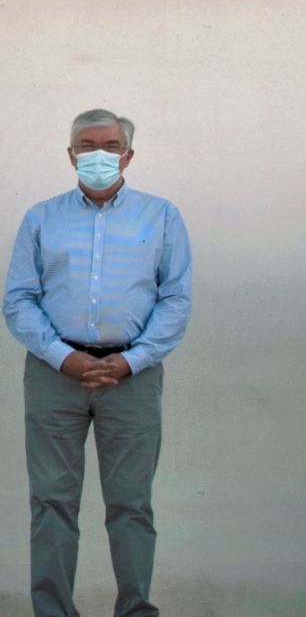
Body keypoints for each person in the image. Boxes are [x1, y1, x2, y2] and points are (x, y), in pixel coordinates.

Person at [3, 109, 192, 617]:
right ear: (70, 155)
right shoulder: (41, 217)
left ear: (129, 155)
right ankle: (53, 611)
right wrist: (63, 357)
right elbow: (19, 298)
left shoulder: (162, 216)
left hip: (132, 378)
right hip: (53, 376)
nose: (99, 155)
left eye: (110, 146)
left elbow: (175, 298)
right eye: (87, 145)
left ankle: (134, 609)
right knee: (51, 504)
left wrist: (133, 361)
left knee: (131, 505)